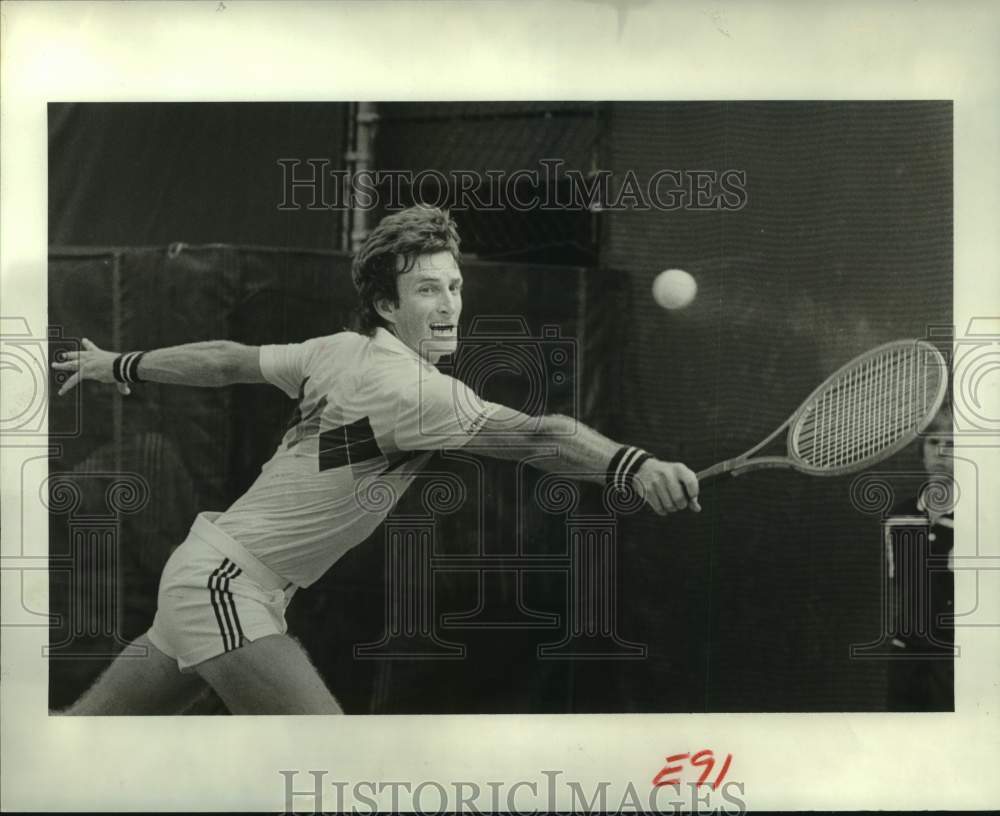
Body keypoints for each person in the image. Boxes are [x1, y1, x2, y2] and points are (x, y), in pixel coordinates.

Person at [52, 205, 700, 715]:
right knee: (335, 770)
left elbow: (232, 362)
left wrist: (121, 364)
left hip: (209, 572)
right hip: (226, 585)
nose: (448, 305)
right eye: (426, 290)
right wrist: (632, 467)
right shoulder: (417, 392)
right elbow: (537, 438)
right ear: (388, 306)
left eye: (454, 286)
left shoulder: (338, 353)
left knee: (82, 740)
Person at [884, 403, 954, 711]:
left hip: (954, 658)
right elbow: (902, 585)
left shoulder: (981, 518)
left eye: (952, 444)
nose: (941, 452)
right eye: (933, 442)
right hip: (907, 657)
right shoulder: (899, 517)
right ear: (921, 451)